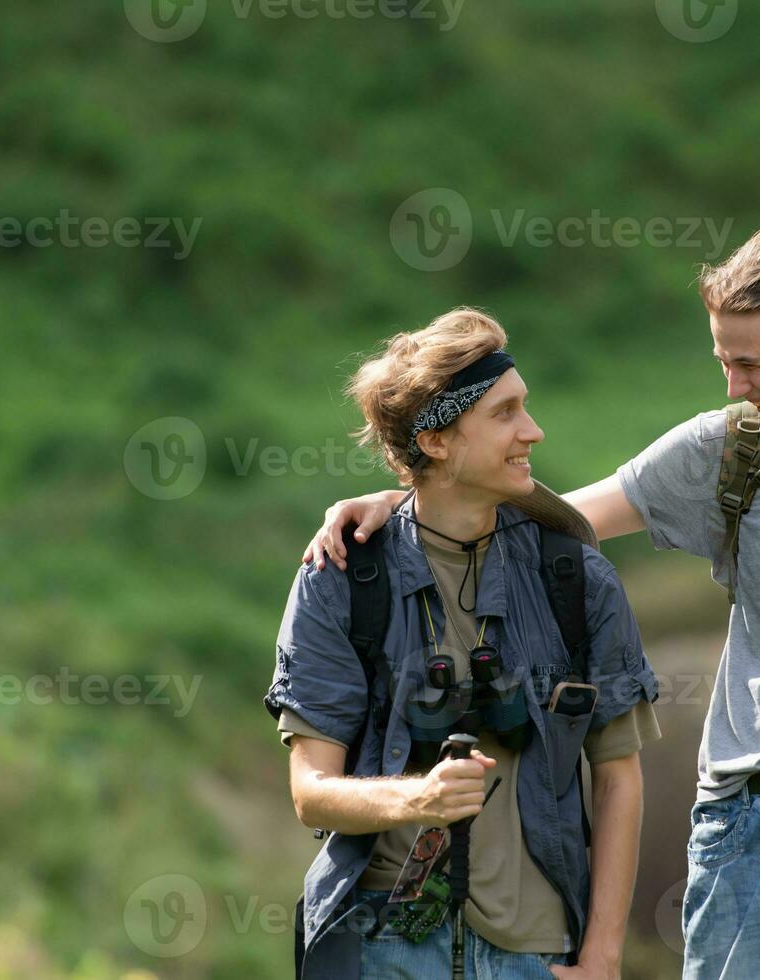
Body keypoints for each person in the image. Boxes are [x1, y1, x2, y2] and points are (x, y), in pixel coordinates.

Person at [301, 224, 760, 978]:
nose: (734, 386)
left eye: (751, 363)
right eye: (723, 362)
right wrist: (405, 489)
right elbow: (547, 516)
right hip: (741, 814)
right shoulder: (722, 449)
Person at [267, 307, 663, 979]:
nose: (532, 431)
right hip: (383, 951)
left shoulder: (576, 578)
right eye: (505, 413)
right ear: (439, 439)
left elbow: (619, 777)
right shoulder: (340, 579)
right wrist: (417, 800)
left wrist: (602, 958)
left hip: (534, 956)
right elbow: (311, 791)